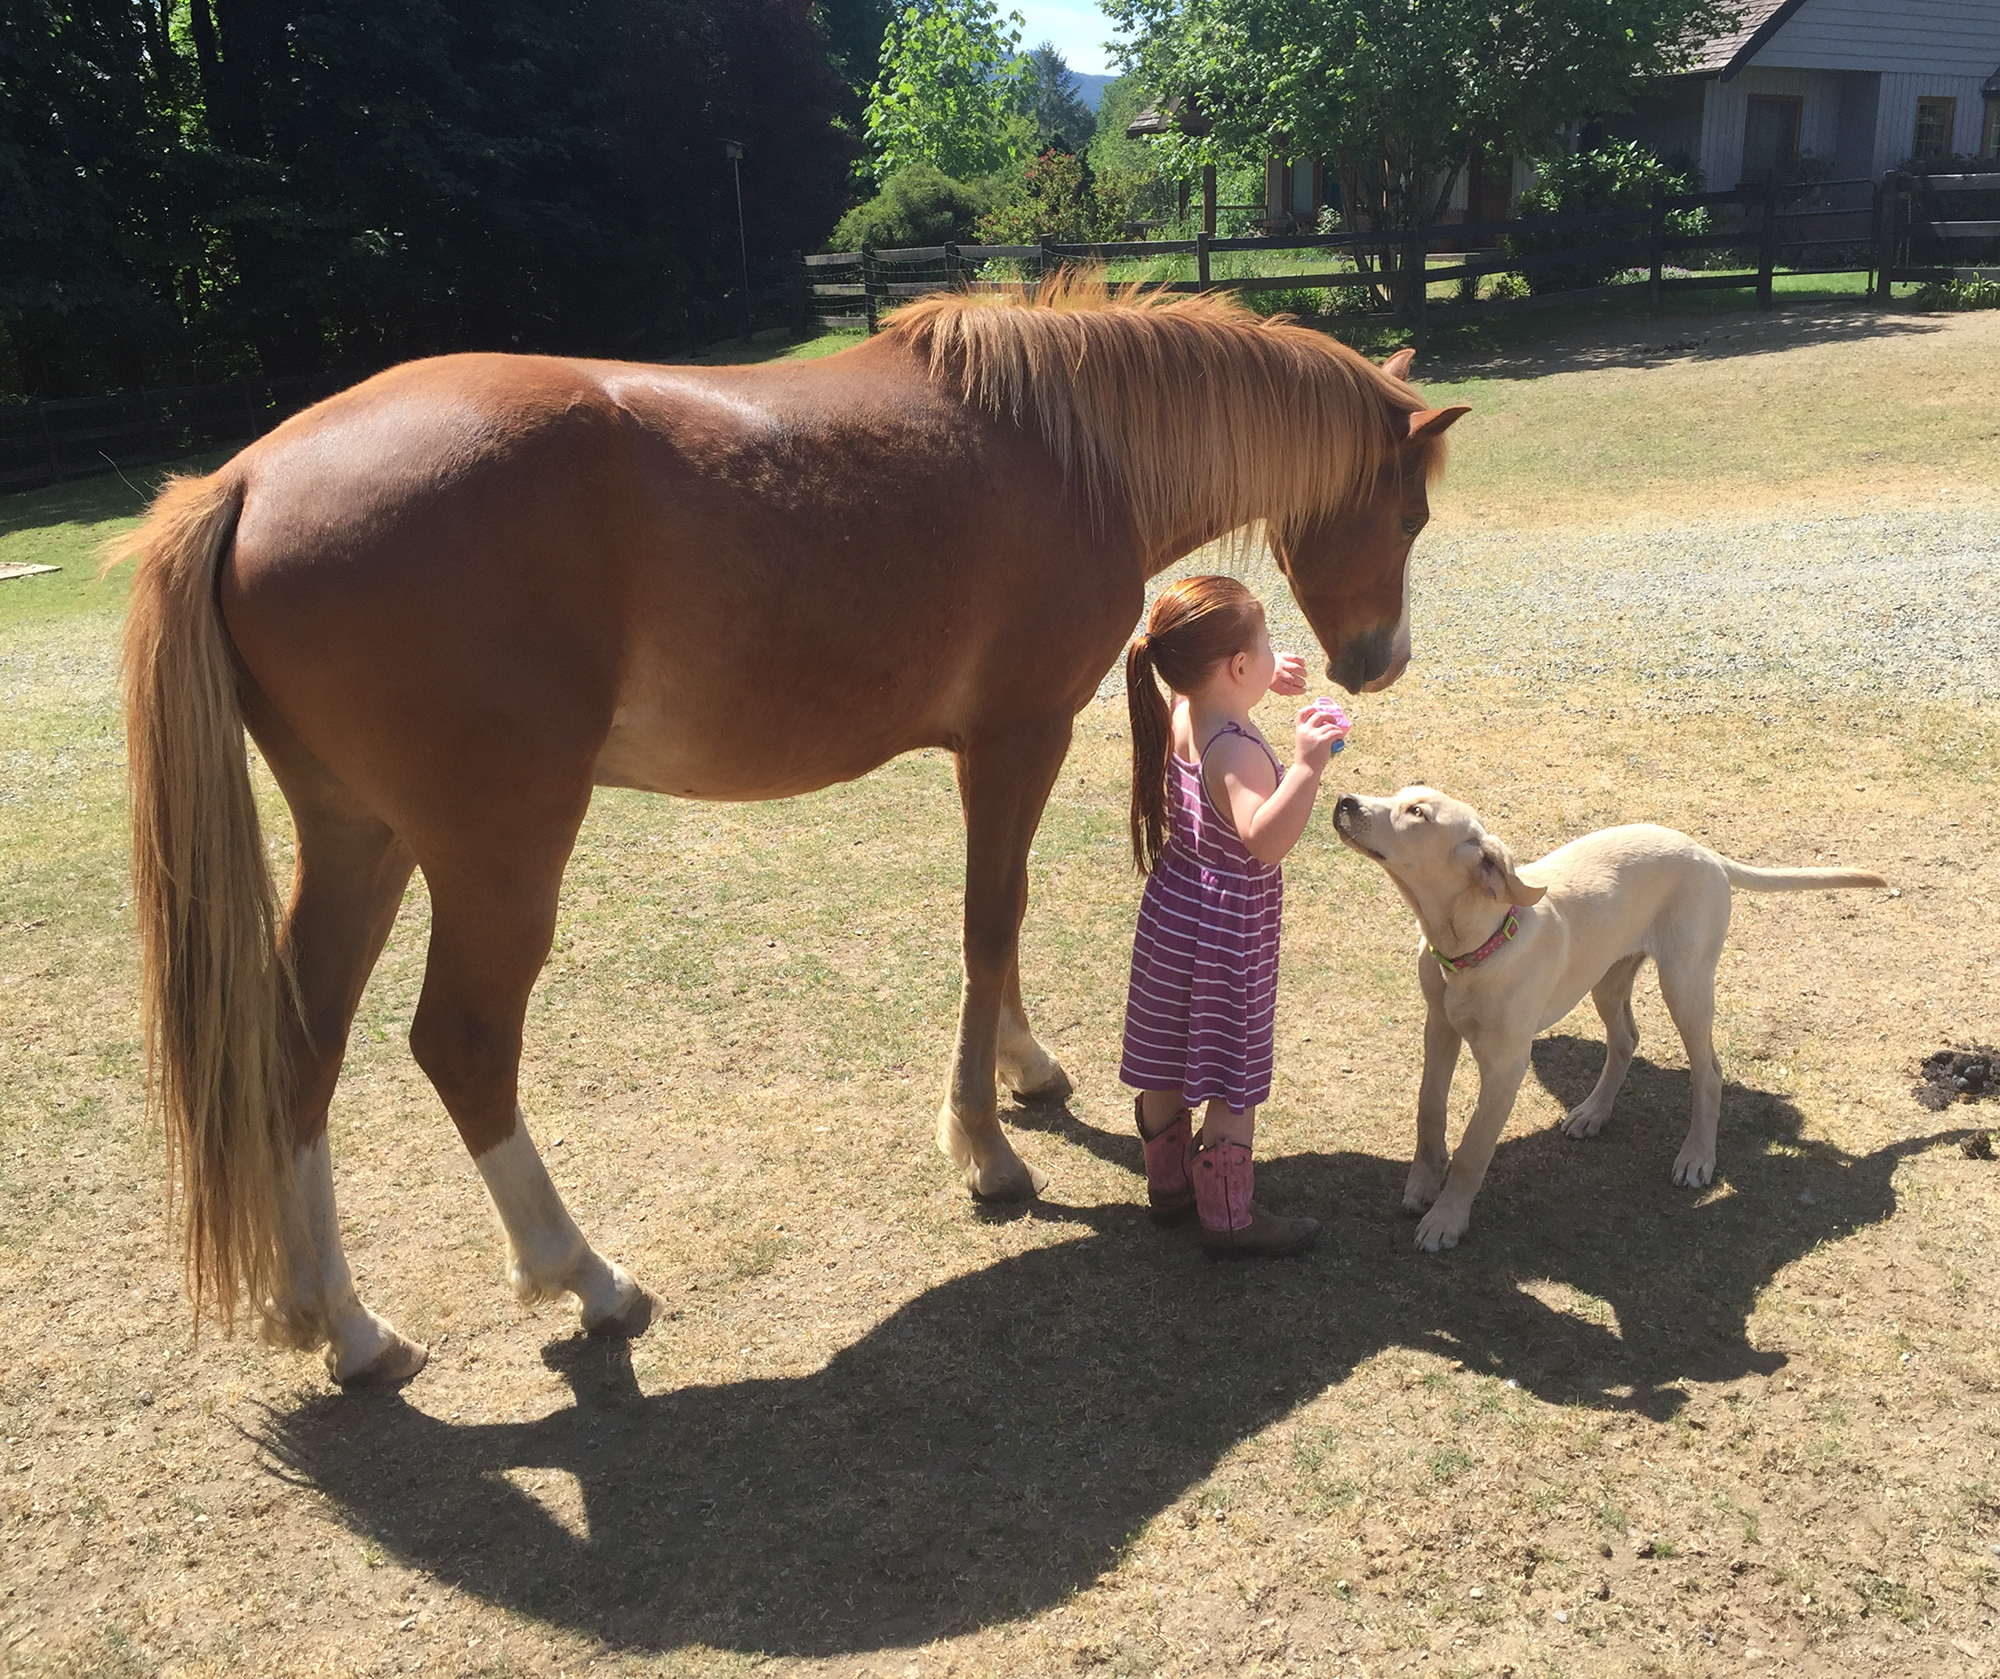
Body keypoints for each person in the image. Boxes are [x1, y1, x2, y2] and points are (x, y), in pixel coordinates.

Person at [1119, 575, 1347, 1257]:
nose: (1276, 654)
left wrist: (1261, 679)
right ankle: (1227, 1218)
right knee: (1228, 1067)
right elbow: (1266, 840)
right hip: (1226, 931)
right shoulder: (1239, 750)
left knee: (1166, 1052)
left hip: (1174, 911)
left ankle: (1168, 1187)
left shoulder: (1185, 708)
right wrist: (1307, 766)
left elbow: (1218, 690)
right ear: (1236, 667)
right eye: (1265, 645)